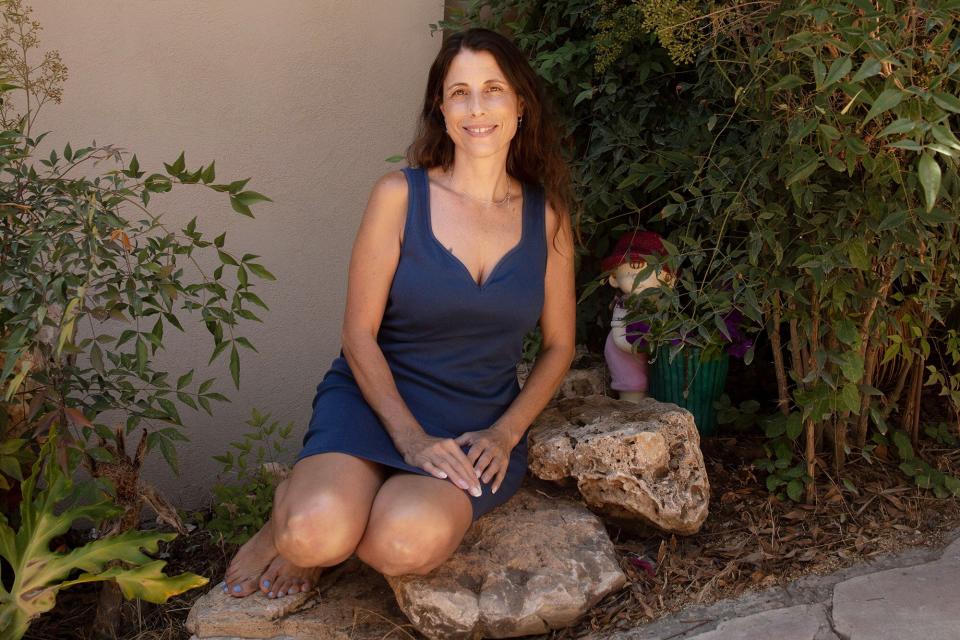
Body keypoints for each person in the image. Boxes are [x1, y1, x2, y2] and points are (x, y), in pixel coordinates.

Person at [220, 27, 576, 599]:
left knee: (400, 546)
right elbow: (357, 334)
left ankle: (354, 500)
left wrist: (506, 433)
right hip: (376, 398)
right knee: (313, 536)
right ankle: (294, 515)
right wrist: (408, 439)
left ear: (521, 104)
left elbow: (560, 345)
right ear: (441, 106)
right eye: (459, 92)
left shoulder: (548, 215)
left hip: (472, 421)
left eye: (493, 89)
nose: (477, 107)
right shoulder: (399, 195)